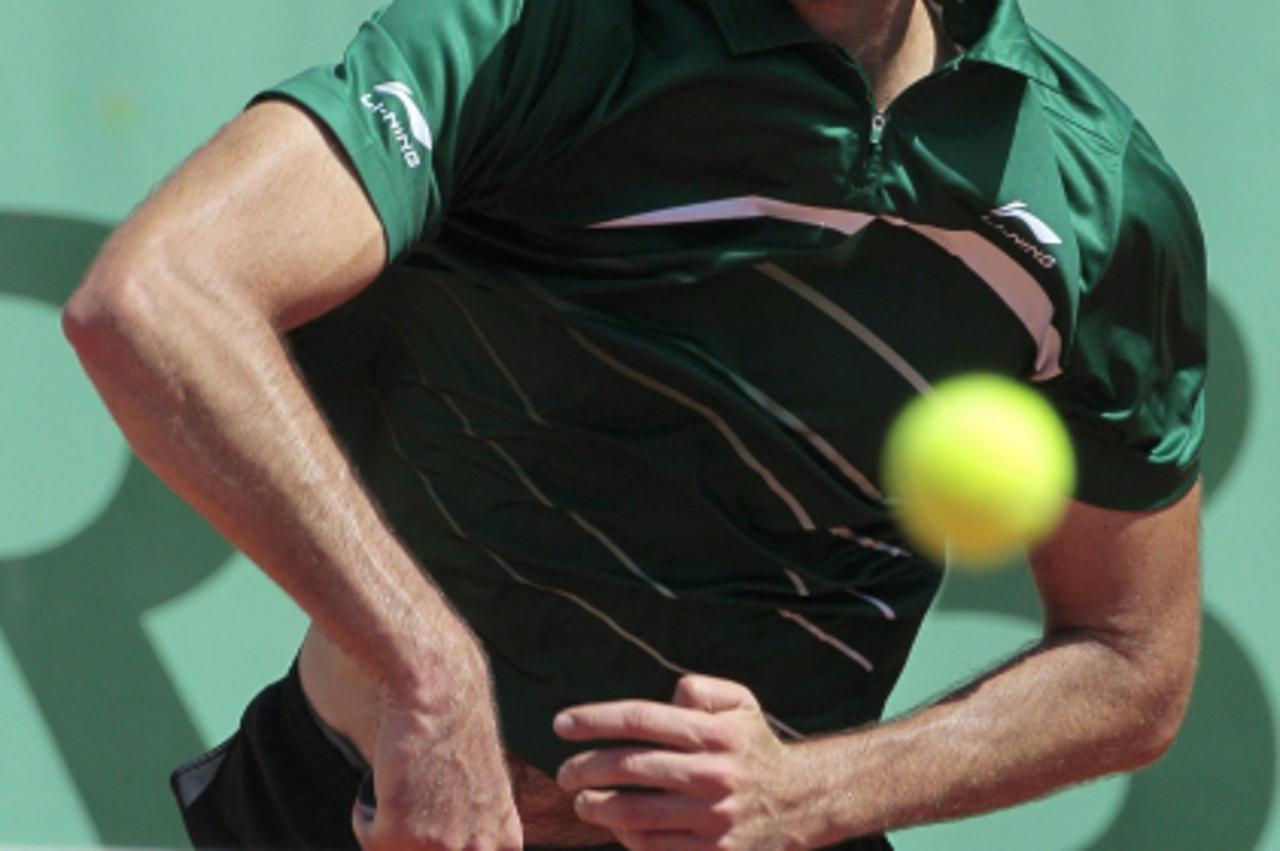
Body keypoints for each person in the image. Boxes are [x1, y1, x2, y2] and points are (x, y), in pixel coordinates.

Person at [63, 0, 1205, 847]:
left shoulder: (1094, 196)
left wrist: (813, 790)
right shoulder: (536, 30)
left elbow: (1131, 661)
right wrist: (431, 670)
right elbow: (159, 298)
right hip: (369, 816)